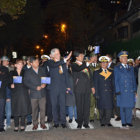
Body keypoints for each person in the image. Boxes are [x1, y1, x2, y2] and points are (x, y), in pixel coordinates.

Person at [47, 48, 71, 128]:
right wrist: (65, 60)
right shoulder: (50, 62)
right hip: (53, 88)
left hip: (62, 88)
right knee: (54, 106)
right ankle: (56, 121)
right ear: (53, 55)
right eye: (57, 54)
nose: (59, 55)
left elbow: (66, 76)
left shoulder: (63, 64)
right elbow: (54, 65)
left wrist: (68, 87)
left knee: (62, 105)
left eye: (59, 53)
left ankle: (63, 121)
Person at [71, 50, 95, 128]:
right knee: (79, 107)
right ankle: (80, 123)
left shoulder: (86, 65)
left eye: (83, 56)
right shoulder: (74, 65)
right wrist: (88, 62)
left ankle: (86, 123)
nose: (83, 57)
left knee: (86, 106)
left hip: (87, 89)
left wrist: (92, 86)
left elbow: (90, 76)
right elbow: (79, 69)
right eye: (81, 56)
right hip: (78, 89)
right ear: (77, 57)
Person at [114, 51, 137, 129]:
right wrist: (117, 90)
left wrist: (135, 90)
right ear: (120, 60)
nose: (125, 59)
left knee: (129, 106)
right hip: (122, 91)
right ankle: (123, 122)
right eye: (123, 58)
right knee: (122, 107)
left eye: (126, 57)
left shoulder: (131, 68)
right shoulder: (117, 68)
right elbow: (116, 80)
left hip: (130, 91)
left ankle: (129, 121)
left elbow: (133, 80)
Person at [24, 56, 47, 130]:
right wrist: (34, 87)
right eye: (36, 62)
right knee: (34, 110)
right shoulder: (27, 71)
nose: (38, 63)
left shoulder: (42, 69)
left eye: (38, 61)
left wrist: (44, 84)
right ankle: (35, 124)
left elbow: (45, 78)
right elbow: (25, 82)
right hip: (33, 94)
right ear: (31, 63)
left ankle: (43, 123)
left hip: (42, 93)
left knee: (43, 109)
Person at [10, 59, 31, 132]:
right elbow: (8, 82)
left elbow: (28, 82)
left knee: (23, 109)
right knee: (16, 109)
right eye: (19, 64)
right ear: (15, 65)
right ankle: (16, 126)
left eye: (21, 64)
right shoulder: (12, 72)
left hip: (24, 93)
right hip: (15, 93)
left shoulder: (25, 72)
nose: (20, 65)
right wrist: (10, 85)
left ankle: (22, 125)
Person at [93, 56, 114, 127]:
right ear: (100, 64)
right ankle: (102, 121)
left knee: (109, 108)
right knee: (101, 108)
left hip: (109, 93)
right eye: (102, 63)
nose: (104, 64)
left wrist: (114, 93)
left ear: (108, 63)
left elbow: (113, 83)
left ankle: (108, 121)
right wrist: (96, 94)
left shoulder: (111, 71)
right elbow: (95, 84)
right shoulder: (96, 72)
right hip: (101, 93)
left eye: (105, 63)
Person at [88, 52, 100, 122]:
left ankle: (99, 116)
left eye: (96, 57)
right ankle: (91, 116)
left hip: (98, 86)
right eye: (93, 57)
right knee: (91, 102)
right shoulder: (88, 66)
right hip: (91, 86)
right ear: (90, 58)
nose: (95, 58)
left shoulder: (100, 65)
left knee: (98, 102)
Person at [1, 56, 12, 129]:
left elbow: (8, 83)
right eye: (5, 61)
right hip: (1, 93)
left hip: (5, 93)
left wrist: (8, 96)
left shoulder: (8, 69)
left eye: (7, 61)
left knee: (7, 110)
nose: (6, 62)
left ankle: (7, 123)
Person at [0, 64, 10, 132]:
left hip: (2, 93)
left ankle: (1, 126)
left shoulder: (4, 69)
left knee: (1, 111)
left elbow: (8, 80)